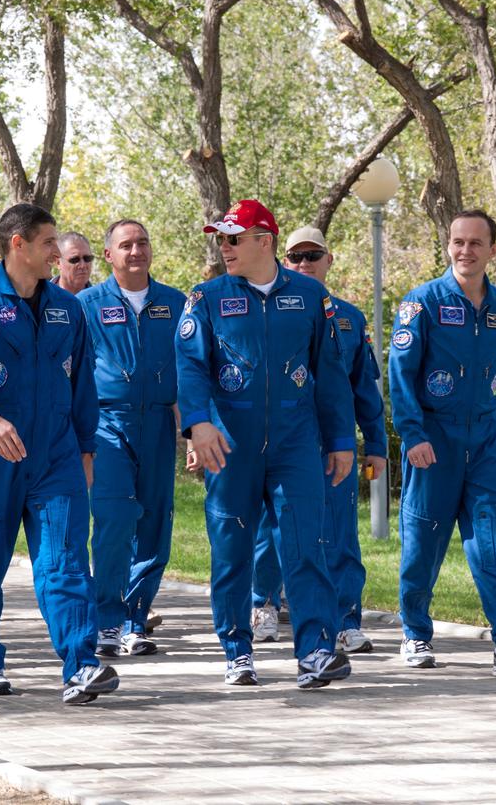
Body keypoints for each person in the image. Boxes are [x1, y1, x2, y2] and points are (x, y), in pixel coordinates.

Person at [0, 202, 119, 705]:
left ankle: (80, 665)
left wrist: (86, 448)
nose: (56, 252)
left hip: (56, 458)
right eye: (48, 243)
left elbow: (83, 383)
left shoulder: (69, 309)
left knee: (64, 560)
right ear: (18, 244)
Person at [176, 199, 356, 689]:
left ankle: (316, 651)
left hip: (297, 443)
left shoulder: (308, 295)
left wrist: (341, 439)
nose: (225, 247)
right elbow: (189, 366)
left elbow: (331, 374)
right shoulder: (206, 298)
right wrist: (197, 424)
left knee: (304, 544)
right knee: (232, 548)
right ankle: (237, 649)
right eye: (221, 239)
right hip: (229, 445)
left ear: (264, 241)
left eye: (234, 239)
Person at [388, 209, 496, 677]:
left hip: (485, 446)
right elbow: (401, 374)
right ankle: (415, 633)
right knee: (423, 545)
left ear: (493, 250)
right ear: (448, 246)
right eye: (458, 242)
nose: (466, 251)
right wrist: (414, 434)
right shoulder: (420, 303)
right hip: (433, 444)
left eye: (476, 243)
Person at [251, 226, 387, 654]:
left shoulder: (349, 319)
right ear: (283, 261)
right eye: (296, 257)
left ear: (330, 260)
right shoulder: (263, 309)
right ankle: (265, 605)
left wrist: (377, 445)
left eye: (314, 256)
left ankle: (346, 619)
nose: (305, 263)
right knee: (273, 528)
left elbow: (364, 388)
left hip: (334, 445)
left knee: (340, 532)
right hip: (281, 442)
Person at [78, 219, 185, 658]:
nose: (136, 250)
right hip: (108, 424)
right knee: (115, 519)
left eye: (142, 242)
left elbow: (190, 371)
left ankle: (134, 619)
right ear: (109, 255)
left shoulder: (175, 303)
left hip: (159, 423)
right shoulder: (85, 304)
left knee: (155, 525)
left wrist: (193, 431)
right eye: (126, 245)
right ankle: (106, 619)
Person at [53, 231, 94, 296]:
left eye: (87, 258)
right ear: (58, 263)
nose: (82, 265)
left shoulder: (101, 301)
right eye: (75, 260)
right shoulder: (39, 297)